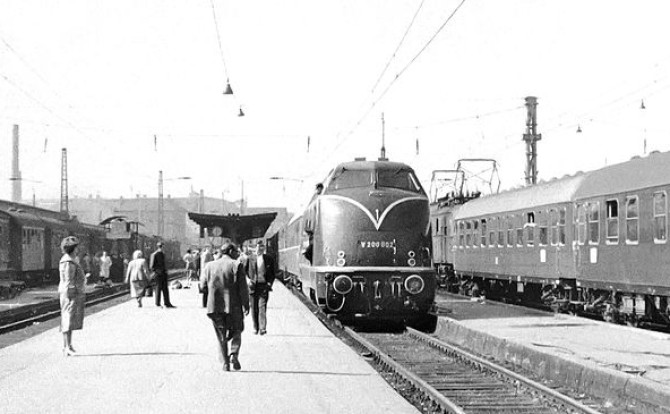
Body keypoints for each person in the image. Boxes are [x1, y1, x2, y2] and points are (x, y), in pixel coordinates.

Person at [199, 243, 249, 371]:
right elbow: (243, 288)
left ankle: (225, 364)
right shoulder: (237, 265)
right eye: (236, 251)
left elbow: (202, 286)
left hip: (215, 307)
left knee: (221, 335)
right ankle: (234, 353)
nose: (237, 254)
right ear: (230, 251)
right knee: (237, 330)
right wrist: (246, 305)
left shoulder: (209, 266)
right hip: (234, 306)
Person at [59, 236, 90, 356]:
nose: (78, 249)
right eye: (76, 247)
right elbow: (68, 279)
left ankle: (68, 345)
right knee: (68, 318)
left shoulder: (71, 260)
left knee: (70, 319)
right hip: (70, 293)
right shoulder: (68, 262)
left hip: (72, 292)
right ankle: (66, 346)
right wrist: (71, 292)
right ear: (72, 248)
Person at [245, 240, 276, 335]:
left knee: (262, 307)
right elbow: (244, 271)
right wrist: (248, 281)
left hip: (263, 286)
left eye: (262, 247)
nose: (260, 249)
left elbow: (272, 273)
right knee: (254, 308)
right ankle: (255, 327)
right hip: (253, 286)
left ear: (264, 248)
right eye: (258, 247)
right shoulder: (250, 258)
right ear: (255, 248)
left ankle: (262, 328)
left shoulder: (269, 259)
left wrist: (269, 283)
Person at [150, 241, 175, 308]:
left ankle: (166, 303)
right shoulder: (155, 254)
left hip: (163, 273)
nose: (162, 248)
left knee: (165, 288)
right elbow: (152, 266)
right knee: (158, 288)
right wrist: (158, 271)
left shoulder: (162, 254)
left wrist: (165, 270)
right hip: (158, 274)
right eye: (162, 246)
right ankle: (158, 303)